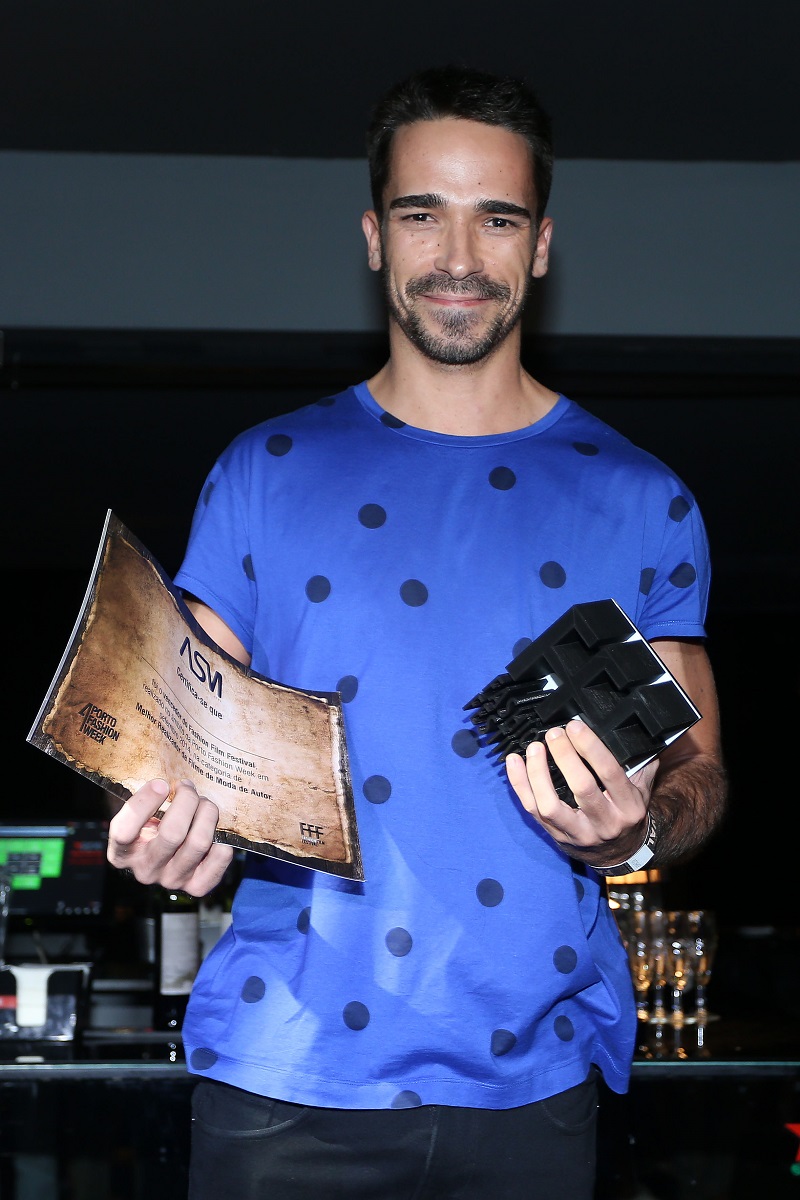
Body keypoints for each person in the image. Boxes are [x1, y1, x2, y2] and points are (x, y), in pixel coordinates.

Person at [107, 65, 727, 1199]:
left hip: (535, 1079)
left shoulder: (645, 500)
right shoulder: (264, 472)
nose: (458, 255)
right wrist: (158, 825)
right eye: (420, 214)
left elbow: (698, 772)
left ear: (542, 246)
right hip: (285, 1073)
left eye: (497, 218)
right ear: (373, 238)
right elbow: (174, 741)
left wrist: (633, 835)